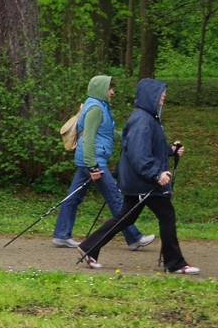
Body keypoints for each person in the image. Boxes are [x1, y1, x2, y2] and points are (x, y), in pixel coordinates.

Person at [77, 78, 199, 275]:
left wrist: (171, 150)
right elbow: (138, 154)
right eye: (161, 93)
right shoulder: (143, 120)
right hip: (144, 181)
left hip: (138, 180)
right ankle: (175, 263)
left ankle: (90, 246)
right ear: (150, 95)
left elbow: (151, 148)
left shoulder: (147, 118)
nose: (164, 96)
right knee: (166, 215)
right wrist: (155, 175)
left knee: (125, 217)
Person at [51, 75, 154, 251]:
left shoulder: (100, 107)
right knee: (114, 197)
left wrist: (131, 138)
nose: (112, 92)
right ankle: (134, 237)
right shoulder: (95, 109)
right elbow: (89, 138)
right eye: (109, 88)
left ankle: (61, 235)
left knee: (73, 197)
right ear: (100, 89)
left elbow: (108, 133)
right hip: (92, 160)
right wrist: (93, 165)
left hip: (88, 160)